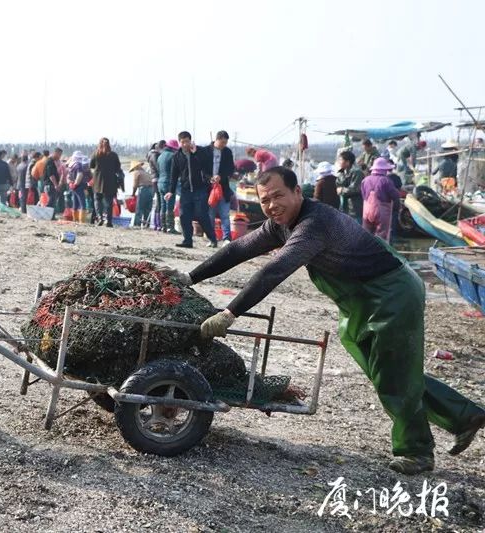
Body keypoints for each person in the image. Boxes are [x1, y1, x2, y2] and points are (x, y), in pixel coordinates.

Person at [162, 166, 485, 475]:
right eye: (265, 200)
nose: (272, 205)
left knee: (393, 376)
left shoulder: (315, 224)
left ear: (296, 192)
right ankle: (463, 415)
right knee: (388, 373)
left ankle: (416, 452)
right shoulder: (280, 224)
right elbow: (238, 249)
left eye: (278, 196)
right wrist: (190, 277)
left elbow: (275, 270)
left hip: (392, 294)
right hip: (361, 300)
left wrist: (230, 313)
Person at [165, 131, 218, 248]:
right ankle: (187, 241)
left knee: (201, 215)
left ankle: (213, 239)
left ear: (191, 141)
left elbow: (206, 167)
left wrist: (195, 154)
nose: (185, 144)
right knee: (184, 215)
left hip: (200, 189)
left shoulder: (200, 151)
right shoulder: (177, 156)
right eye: (182, 142)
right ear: (179, 143)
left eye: (187, 141)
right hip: (185, 190)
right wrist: (171, 191)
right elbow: (174, 176)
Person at [361, 158, 402, 242]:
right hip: (381, 212)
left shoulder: (365, 180)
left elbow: (363, 195)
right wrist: (397, 209)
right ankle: (380, 254)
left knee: (366, 235)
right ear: (384, 170)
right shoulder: (386, 180)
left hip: (367, 211)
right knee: (381, 236)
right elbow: (395, 196)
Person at [90, 138, 124, 227]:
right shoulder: (114, 155)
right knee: (109, 202)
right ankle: (109, 221)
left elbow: (91, 165)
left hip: (98, 181)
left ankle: (100, 218)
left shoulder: (96, 154)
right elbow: (118, 168)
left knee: (97, 200)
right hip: (110, 181)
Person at [210, 131, 236, 245]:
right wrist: (209, 178)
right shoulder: (207, 151)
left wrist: (221, 176)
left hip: (223, 187)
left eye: (226, 143)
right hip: (209, 188)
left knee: (225, 214)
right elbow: (201, 168)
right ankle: (212, 238)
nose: (224, 145)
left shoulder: (227, 152)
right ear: (217, 139)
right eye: (222, 142)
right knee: (210, 214)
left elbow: (231, 169)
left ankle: (227, 238)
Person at [157, 139, 179, 234]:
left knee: (163, 205)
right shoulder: (173, 156)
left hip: (160, 182)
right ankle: (170, 227)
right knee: (170, 205)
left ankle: (163, 226)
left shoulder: (160, 156)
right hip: (168, 183)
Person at [337, 150, 363, 223]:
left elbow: (355, 189)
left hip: (354, 208)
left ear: (348, 162)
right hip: (344, 208)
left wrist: (341, 190)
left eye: (341, 160)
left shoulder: (357, 172)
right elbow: (338, 185)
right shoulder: (342, 172)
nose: (339, 162)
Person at [67, 150, 91, 223]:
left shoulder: (71, 165)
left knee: (75, 202)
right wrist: (76, 184)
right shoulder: (79, 165)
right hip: (79, 186)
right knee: (82, 203)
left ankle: (75, 219)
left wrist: (70, 184)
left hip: (72, 186)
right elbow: (80, 175)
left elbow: (68, 176)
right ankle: (82, 220)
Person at [130, 160, 154, 228]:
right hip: (151, 190)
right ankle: (146, 225)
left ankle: (137, 225)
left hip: (143, 189)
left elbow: (135, 185)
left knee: (139, 208)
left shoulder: (137, 172)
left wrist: (133, 194)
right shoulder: (145, 172)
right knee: (148, 208)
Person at [147, 140, 165, 230]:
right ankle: (157, 224)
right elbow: (158, 167)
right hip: (157, 179)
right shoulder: (154, 155)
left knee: (158, 201)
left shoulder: (151, 154)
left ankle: (156, 223)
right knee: (159, 201)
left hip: (155, 179)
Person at [43, 147, 64, 219]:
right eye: (59, 155)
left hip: (51, 185)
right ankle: (48, 216)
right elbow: (51, 175)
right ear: (56, 153)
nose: (60, 157)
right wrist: (56, 185)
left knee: (53, 201)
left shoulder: (52, 162)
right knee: (51, 202)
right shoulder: (50, 162)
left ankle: (51, 216)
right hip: (50, 185)